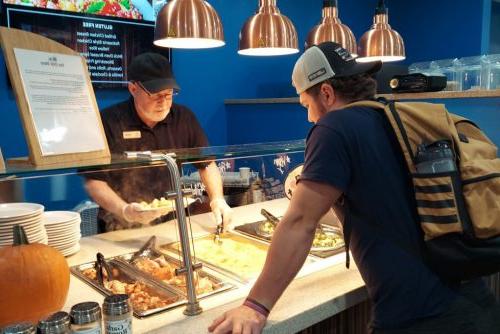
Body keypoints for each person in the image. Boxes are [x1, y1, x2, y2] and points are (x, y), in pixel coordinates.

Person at [208, 42, 500, 334]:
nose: (309, 117)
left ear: (325, 93)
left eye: (306, 105)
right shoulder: (390, 116)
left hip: (420, 320)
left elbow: (300, 223)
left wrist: (255, 307)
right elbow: (380, 205)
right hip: (474, 303)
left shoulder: (334, 127)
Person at [85, 52, 232, 232]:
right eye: (155, 95)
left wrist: (217, 199)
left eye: (169, 94)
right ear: (133, 89)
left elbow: (207, 164)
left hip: (172, 224)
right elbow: (94, 182)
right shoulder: (108, 121)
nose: (163, 103)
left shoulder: (183, 118)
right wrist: (124, 210)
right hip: (119, 226)